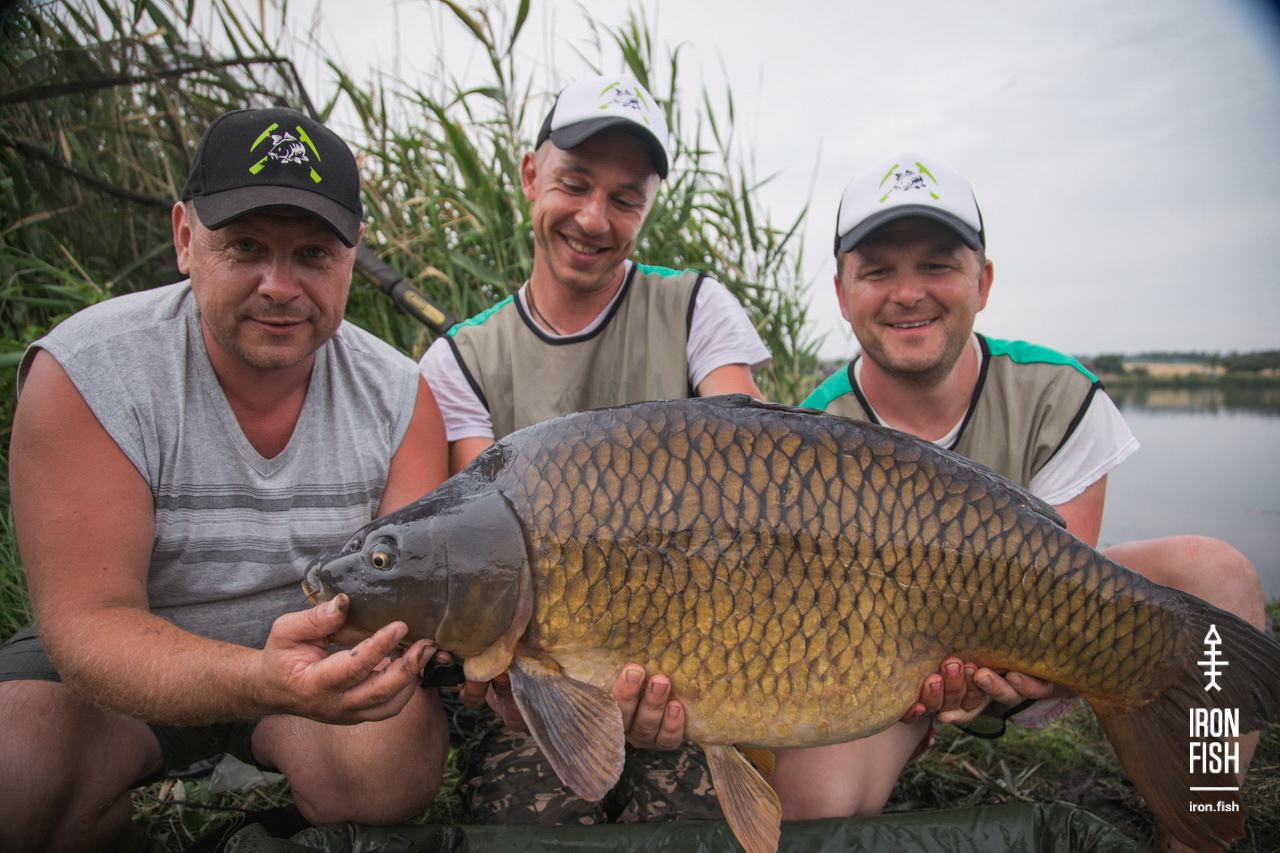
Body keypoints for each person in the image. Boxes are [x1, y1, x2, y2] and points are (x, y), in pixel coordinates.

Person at [0, 107, 451, 853]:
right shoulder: (87, 372)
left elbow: (406, 602)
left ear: (352, 255)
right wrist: (255, 676)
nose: (280, 286)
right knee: (18, 774)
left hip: (316, 664)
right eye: (245, 246)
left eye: (313, 253)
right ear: (185, 238)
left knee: (388, 772)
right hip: (119, 674)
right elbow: (89, 624)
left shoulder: (402, 396)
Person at [788, 151, 1265, 851]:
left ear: (982, 281)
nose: (908, 293)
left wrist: (1022, 671)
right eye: (878, 271)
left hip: (1042, 642)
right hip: (889, 668)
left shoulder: (1058, 393)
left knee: (1216, 576)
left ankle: (1200, 823)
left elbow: (1067, 588)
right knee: (812, 807)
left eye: (936, 265)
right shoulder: (809, 437)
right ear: (841, 292)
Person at [418, 73, 774, 825]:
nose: (593, 218)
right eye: (574, 184)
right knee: (530, 820)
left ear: (647, 206)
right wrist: (510, 684)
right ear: (530, 176)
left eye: (624, 199)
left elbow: (761, 471)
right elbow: (473, 556)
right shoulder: (462, 359)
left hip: (700, 668)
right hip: (536, 690)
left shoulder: (694, 308)